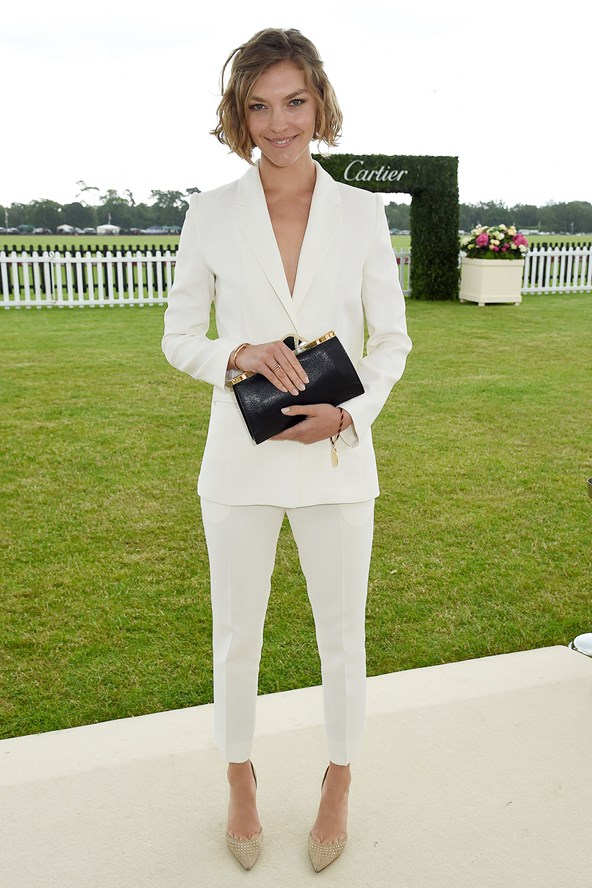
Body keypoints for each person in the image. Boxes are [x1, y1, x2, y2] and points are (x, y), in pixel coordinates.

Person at [161, 27, 411, 872]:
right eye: (260, 106)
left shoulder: (363, 212)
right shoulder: (209, 213)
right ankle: (241, 778)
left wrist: (348, 417)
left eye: (294, 101)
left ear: (319, 103)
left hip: (339, 463)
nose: (279, 123)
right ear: (239, 116)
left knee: (344, 636)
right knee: (237, 635)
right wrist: (236, 353)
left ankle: (339, 779)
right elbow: (178, 338)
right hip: (240, 465)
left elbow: (392, 341)